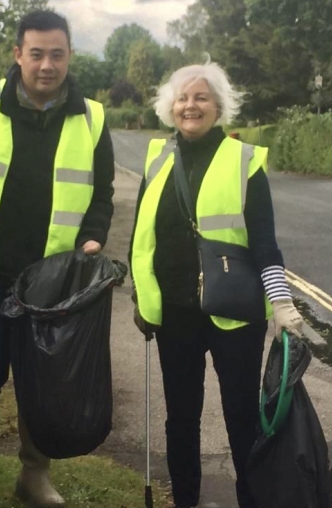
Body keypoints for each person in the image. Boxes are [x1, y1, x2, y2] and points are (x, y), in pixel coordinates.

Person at [0, 10, 114, 508]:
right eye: (36, 54)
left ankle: (33, 477)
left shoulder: (92, 117)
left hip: (51, 279)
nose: (46, 65)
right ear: (18, 55)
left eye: (56, 54)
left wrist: (94, 238)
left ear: (69, 55)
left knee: (44, 379)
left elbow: (102, 193)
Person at [129, 60, 303, 508]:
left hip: (235, 312)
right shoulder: (157, 159)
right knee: (180, 420)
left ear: (218, 107)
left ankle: (252, 500)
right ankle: (185, 501)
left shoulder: (244, 162)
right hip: (174, 314)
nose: (191, 105)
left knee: (242, 417)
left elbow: (266, 245)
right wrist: (141, 298)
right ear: (171, 107)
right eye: (183, 98)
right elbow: (142, 237)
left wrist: (282, 304)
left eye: (201, 97)